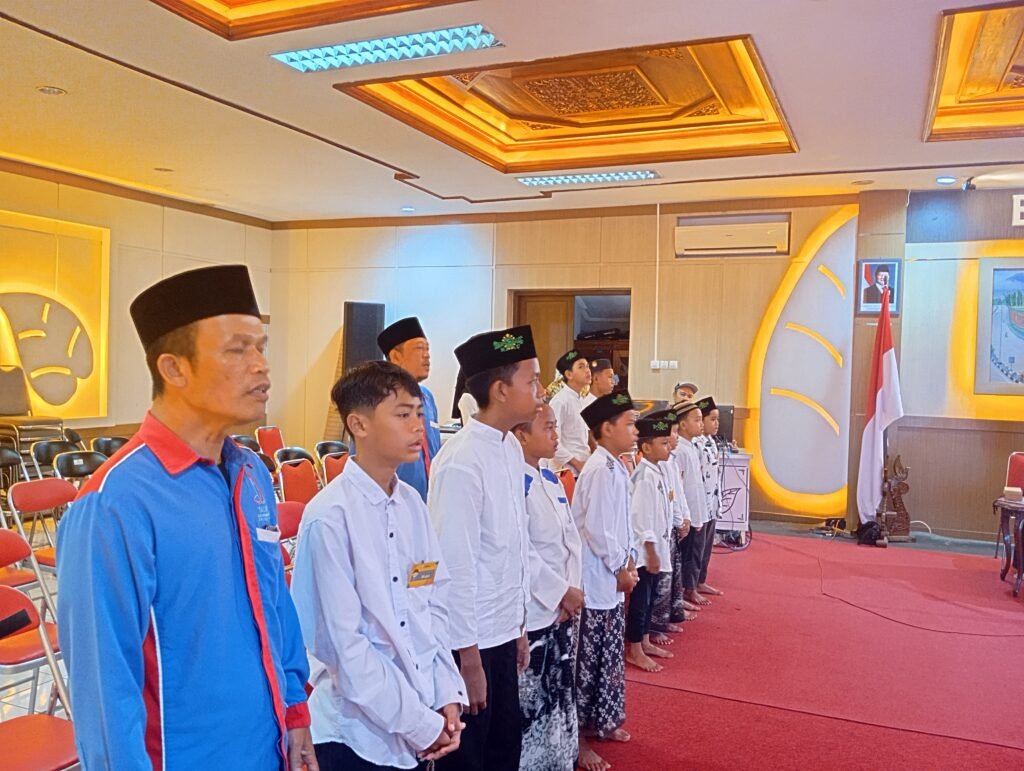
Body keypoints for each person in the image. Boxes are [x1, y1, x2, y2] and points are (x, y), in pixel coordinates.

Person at [56, 265, 316, 769]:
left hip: (267, 747)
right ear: (174, 369)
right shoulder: (115, 503)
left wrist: (294, 710)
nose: (261, 366)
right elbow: (105, 693)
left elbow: (274, 604)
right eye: (238, 350)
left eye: (261, 347)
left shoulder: (250, 474)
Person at [291, 361, 467, 770]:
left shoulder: (411, 504)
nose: (418, 427)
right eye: (403, 415)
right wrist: (420, 724)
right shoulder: (330, 517)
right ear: (359, 425)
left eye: (419, 414)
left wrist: (446, 693)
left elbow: (434, 604)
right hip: (355, 734)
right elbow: (344, 649)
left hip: (419, 717)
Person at [428, 325, 544, 771]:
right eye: (532, 381)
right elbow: (454, 567)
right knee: (469, 759)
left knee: (504, 749)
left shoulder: (510, 448)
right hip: (471, 642)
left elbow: (511, 546)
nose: (539, 391)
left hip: (502, 631)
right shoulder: (461, 462)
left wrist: (519, 626)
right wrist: (469, 659)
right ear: (500, 390)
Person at [512, 403, 584, 771]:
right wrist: (560, 592)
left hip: (562, 607)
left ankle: (560, 759)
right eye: (548, 428)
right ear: (522, 435)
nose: (556, 435)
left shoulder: (550, 478)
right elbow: (523, 550)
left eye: (557, 427)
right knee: (533, 702)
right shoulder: (515, 483)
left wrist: (572, 588)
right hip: (537, 608)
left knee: (559, 694)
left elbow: (570, 541)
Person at [574, 391, 640, 771]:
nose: (635, 431)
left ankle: (603, 720)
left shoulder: (616, 467)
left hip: (612, 577)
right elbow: (598, 530)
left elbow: (621, 524)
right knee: (588, 660)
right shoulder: (599, 469)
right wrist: (620, 569)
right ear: (607, 428)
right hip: (597, 579)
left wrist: (629, 561)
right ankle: (581, 738)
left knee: (608, 655)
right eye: (629, 424)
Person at [625, 413, 676, 674]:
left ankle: (644, 641)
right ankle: (634, 649)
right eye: (663, 443)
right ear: (646, 447)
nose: (669, 447)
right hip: (646, 552)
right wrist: (651, 551)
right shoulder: (644, 476)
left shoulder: (657, 471)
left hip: (656, 548)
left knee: (650, 597)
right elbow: (640, 518)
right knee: (640, 601)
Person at [378, 317, 440, 501]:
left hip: (428, 500)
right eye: (419, 348)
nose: (427, 355)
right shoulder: (379, 398)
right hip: (393, 499)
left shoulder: (427, 397)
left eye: (428, 349)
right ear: (396, 356)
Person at [650, 410, 692, 637]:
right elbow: (668, 497)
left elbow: (678, 493)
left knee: (671, 575)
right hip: (662, 530)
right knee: (660, 581)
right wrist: (678, 519)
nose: (675, 437)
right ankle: (655, 627)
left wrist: (684, 517)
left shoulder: (671, 461)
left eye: (675, 432)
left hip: (672, 524)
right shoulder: (658, 466)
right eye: (672, 433)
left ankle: (668, 616)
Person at [673, 400, 713, 608]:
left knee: (695, 551)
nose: (701, 424)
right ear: (682, 425)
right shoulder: (679, 449)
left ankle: (691, 587)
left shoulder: (691, 447)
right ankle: (682, 593)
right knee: (685, 555)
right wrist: (685, 514)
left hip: (697, 508)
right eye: (696, 420)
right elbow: (679, 485)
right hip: (687, 510)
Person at [693, 396, 725, 600]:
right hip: (700, 504)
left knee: (706, 546)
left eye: (717, 419)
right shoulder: (695, 445)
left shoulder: (711, 442)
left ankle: (701, 580)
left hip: (711, 502)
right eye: (712, 419)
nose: (716, 423)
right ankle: (690, 587)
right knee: (696, 548)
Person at [549, 349, 592, 476]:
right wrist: (576, 463)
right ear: (569, 374)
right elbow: (553, 439)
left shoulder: (580, 399)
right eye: (581, 367)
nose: (587, 370)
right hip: (567, 471)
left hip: (582, 467)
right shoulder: (560, 401)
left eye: (587, 366)